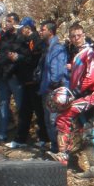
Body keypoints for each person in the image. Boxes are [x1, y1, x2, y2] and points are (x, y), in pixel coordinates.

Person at [51, 23, 94, 179]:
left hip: (90, 95)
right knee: (84, 128)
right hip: (82, 95)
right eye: (73, 36)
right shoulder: (78, 55)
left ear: (84, 35)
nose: (76, 38)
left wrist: (76, 92)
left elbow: (91, 77)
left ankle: (63, 155)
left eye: (78, 35)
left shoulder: (90, 53)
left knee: (64, 117)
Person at [11, 17, 47, 148]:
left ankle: (44, 138)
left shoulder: (36, 41)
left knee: (39, 111)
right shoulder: (24, 41)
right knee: (24, 111)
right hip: (26, 80)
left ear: (27, 28)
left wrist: (19, 57)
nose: (20, 31)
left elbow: (34, 59)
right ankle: (20, 139)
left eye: (22, 29)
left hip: (35, 81)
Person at [37, 20, 69, 151]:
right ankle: (55, 147)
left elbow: (57, 71)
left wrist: (52, 86)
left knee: (53, 120)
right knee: (48, 120)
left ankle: (60, 149)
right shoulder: (47, 47)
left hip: (53, 90)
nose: (40, 32)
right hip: (46, 89)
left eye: (43, 29)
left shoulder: (57, 48)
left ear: (50, 32)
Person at [0, 13, 25, 145]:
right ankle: (1, 134)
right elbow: (0, 54)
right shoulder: (3, 37)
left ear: (16, 23)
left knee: (21, 106)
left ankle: (22, 134)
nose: (7, 23)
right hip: (3, 75)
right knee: (2, 104)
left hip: (16, 76)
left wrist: (16, 58)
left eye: (10, 21)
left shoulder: (21, 37)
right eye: (6, 21)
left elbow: (25, 56)